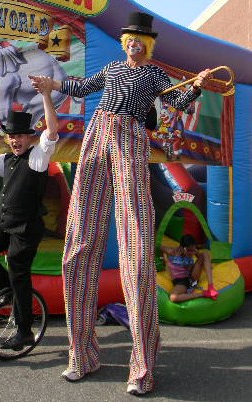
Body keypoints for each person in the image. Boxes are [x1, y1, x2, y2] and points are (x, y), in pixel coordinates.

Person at [32, 12, 211, 396]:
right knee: (79, 241)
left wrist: (196, 86)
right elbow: (82, 87)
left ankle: (143, 369)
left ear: (148, 46)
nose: (135, 44)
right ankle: (82, 355)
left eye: (141, 41)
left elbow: (175, 103)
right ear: (126, 41)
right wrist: (53, 84)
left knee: (137, 246)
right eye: (131, 38)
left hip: (131, 136)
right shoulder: (113, 69)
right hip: (98, 132)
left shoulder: (156, 75)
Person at [0, 76, 58, 350]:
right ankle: (6, 292)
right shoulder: (7, 160)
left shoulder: (38, 158)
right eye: (11, 137)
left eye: (20, 136)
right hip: (5, 223)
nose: (15, 141)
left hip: (27, 227)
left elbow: (51, 131)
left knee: (19, 270)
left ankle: (24, 331)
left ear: (28, 137)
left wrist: (45, 95)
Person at [160, 234, 219, 302]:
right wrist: (163, 261)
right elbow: (158, 246)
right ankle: (204, 294)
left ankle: (211, 286)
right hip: (181, 281)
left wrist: (196, 252)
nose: (191, 253)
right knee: (173, 297)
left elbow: (201, 258)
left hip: (192, 277)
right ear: (181, 247)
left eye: (193, 250)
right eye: (188, 250)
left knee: (205, 254)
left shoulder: (193, 251)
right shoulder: (172, 252)